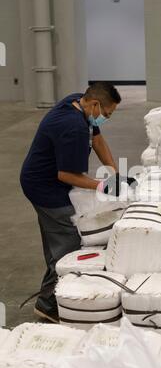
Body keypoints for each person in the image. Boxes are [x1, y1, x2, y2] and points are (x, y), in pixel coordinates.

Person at [20, 82, 125, 323]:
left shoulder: (79, 102)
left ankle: (52, 297)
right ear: (96, 105)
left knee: (56, 239)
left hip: (42, 181)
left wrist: (114, 173)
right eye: (107, 114)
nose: (106, 118)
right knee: (68, 244)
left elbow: (97, 140)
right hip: (45, 188)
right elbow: (67, 175)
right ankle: (49, 305)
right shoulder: (73, 127)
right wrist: (102, 186)